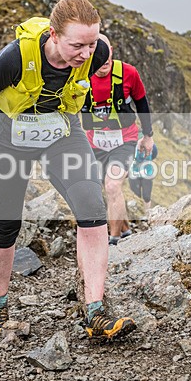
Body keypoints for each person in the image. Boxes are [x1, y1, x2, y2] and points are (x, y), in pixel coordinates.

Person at [0, 0, 136, 341]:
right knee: (5, 225)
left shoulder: (97, 54)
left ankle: (96, 312)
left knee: (92, 208)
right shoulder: (15, 57)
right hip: (8, 140)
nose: (86, 54)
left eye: (91, 44)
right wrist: (3, 136)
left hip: (61, 135)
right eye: (77, 45)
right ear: (54, 35)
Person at [81, 34, 155, 245]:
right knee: (99, 189)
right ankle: (125, 230)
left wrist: (148, 136)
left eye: (107, 53)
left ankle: (113, 241)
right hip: (94, 144)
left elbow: (142, 104)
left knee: (113, 186)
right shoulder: (80, 75)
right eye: (98, 53)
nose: (104, 59)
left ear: (112, 50)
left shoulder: (128, 73)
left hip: (125, 141)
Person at [128, 137, 158, 213]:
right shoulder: (132, 145)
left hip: (147, 174)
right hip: (134, 174)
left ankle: (146, 214)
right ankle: (137, 213)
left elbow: (154, 154)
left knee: (146, 196)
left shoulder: (152, 146)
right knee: (136, 195)